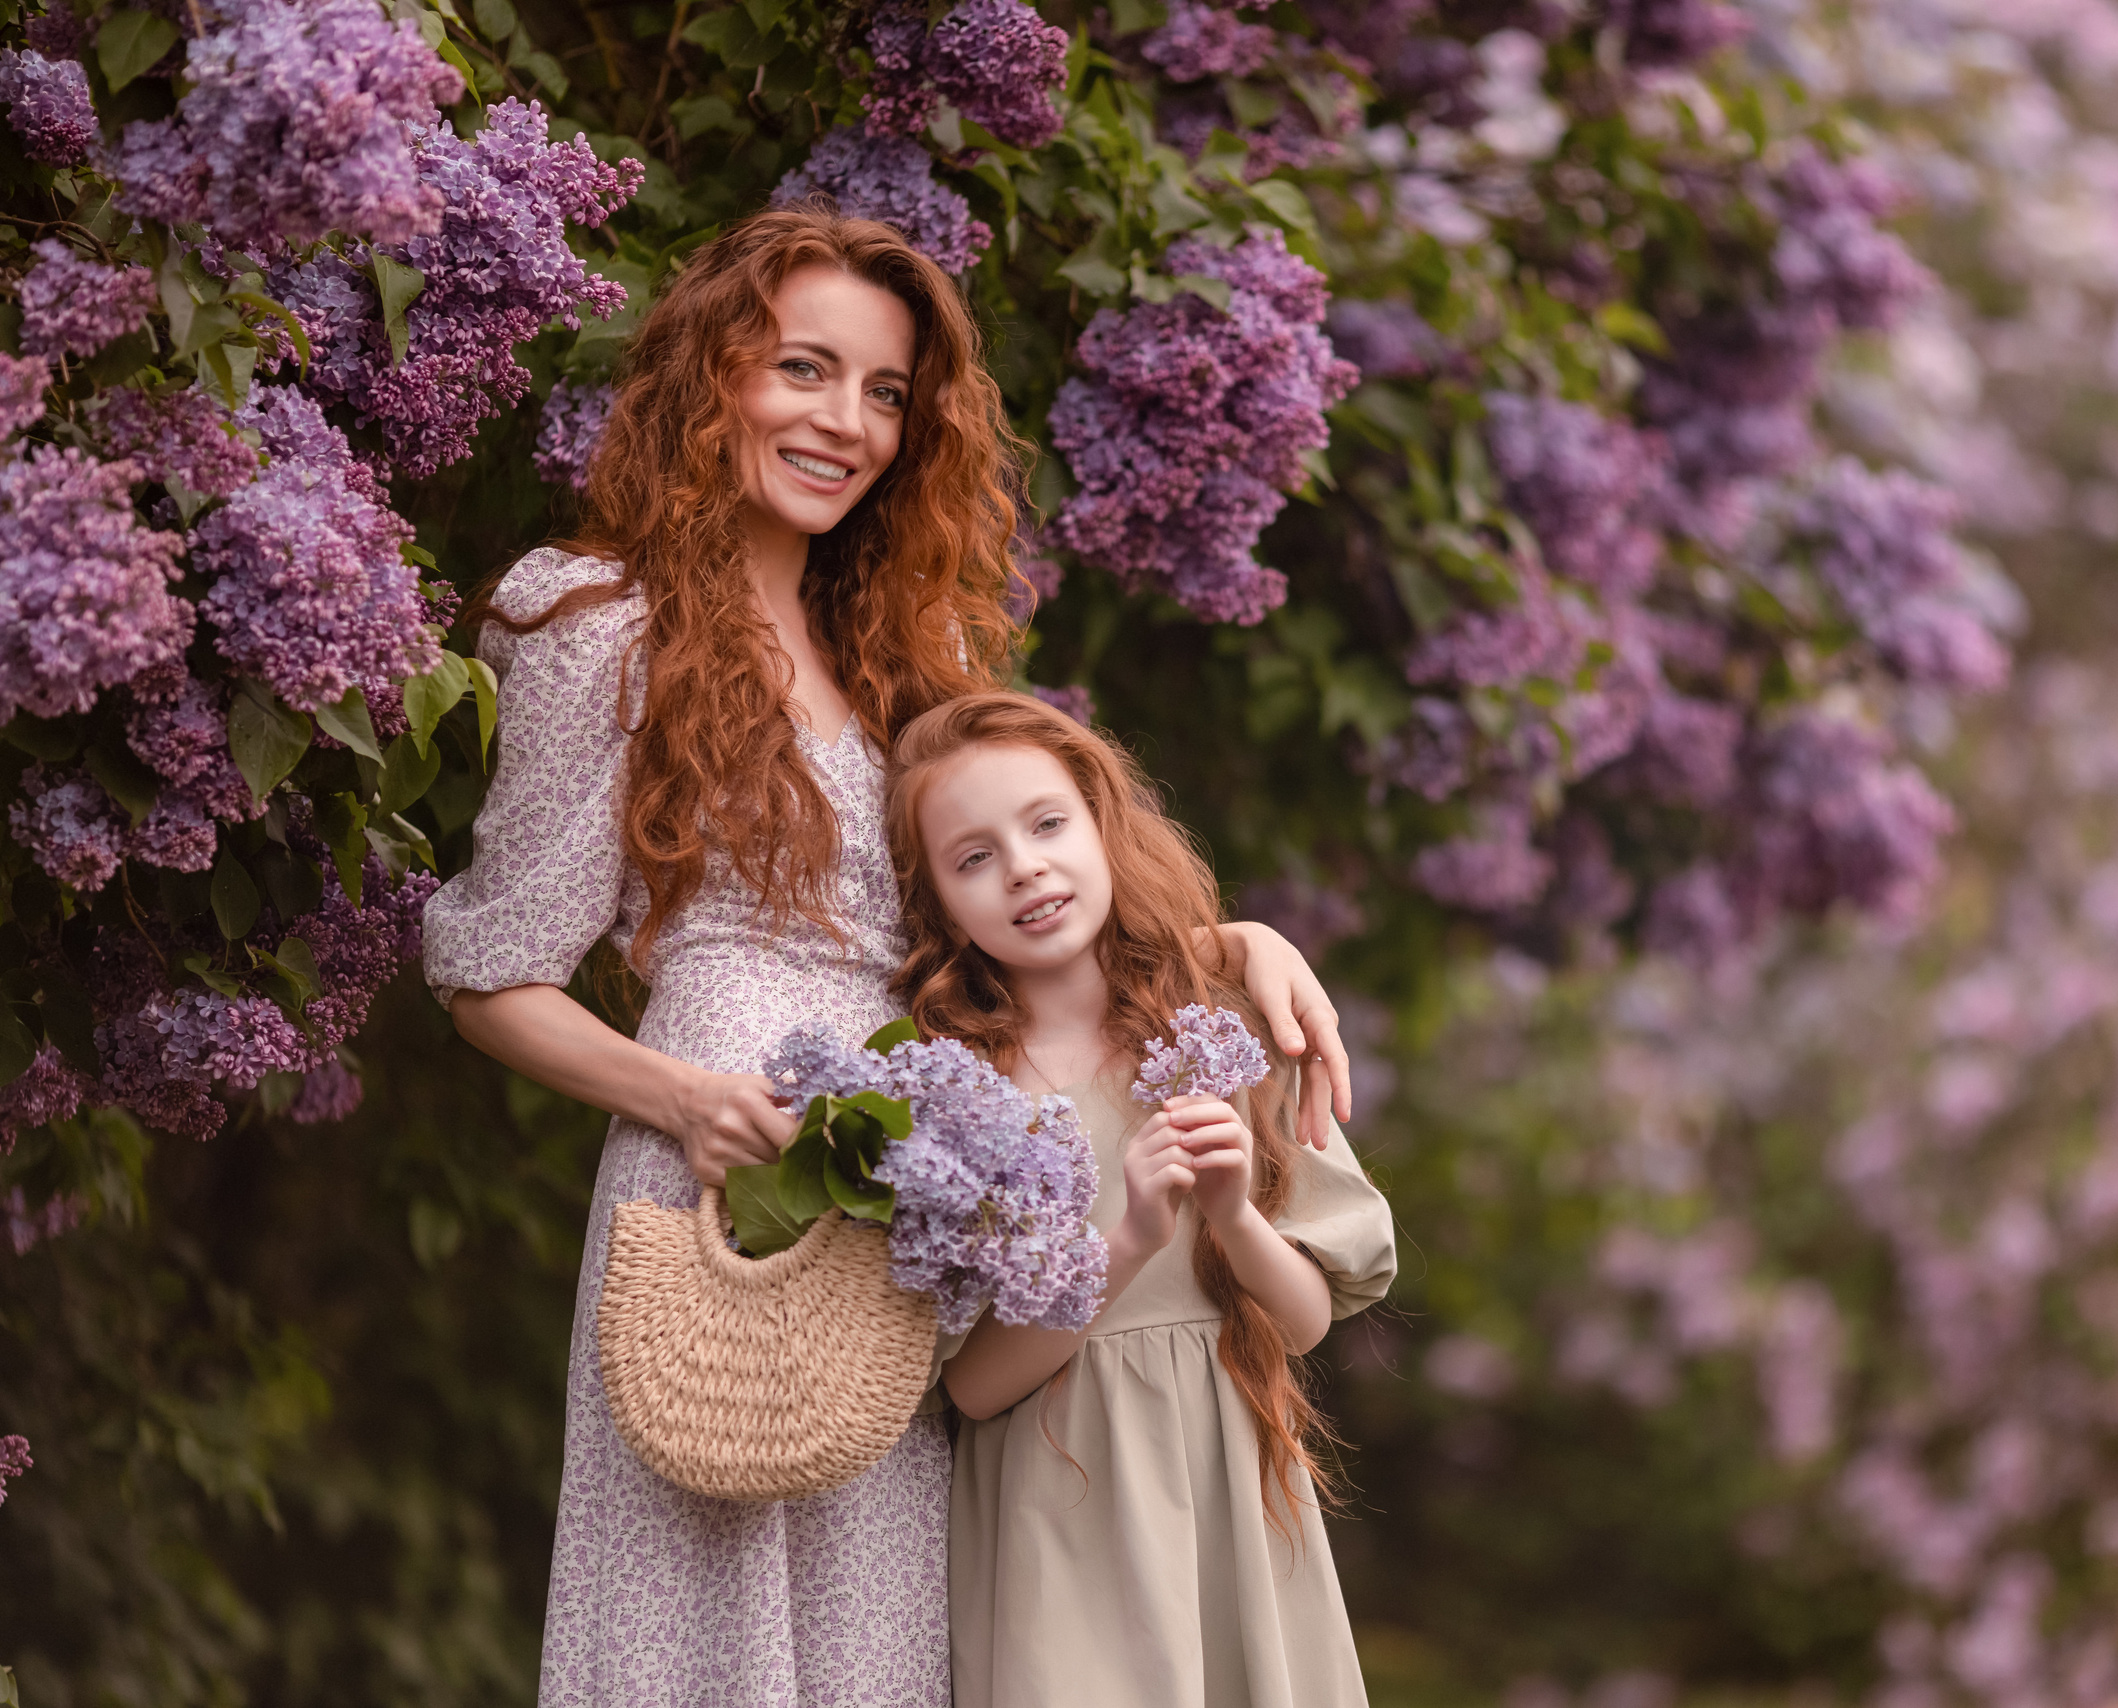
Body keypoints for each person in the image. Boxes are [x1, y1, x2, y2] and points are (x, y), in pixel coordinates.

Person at [418, 207, 1355, 1707]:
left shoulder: (905, 654)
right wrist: (679, 1101)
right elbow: (491, 978)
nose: (844, 422)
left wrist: (1239, 942)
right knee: (706, 1628)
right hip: (735, 1163)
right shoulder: (592, 617)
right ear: (711, 376)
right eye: (804, 368)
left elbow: (1039, 894)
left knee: (882, 1633)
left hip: (930, 1176)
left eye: (884, 393)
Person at [882, 691, 1394, 1708]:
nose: (1024, 866)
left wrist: (1236, 1214)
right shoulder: (953, 1090)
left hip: (1225, 1492)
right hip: (1054, 1510)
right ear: (937, 901)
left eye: (1046, 823)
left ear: (1102, 827)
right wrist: (1129, 1238)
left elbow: (1300, 1323)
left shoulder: (1224, 1033)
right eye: (972, 857)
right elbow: (973, 1390)